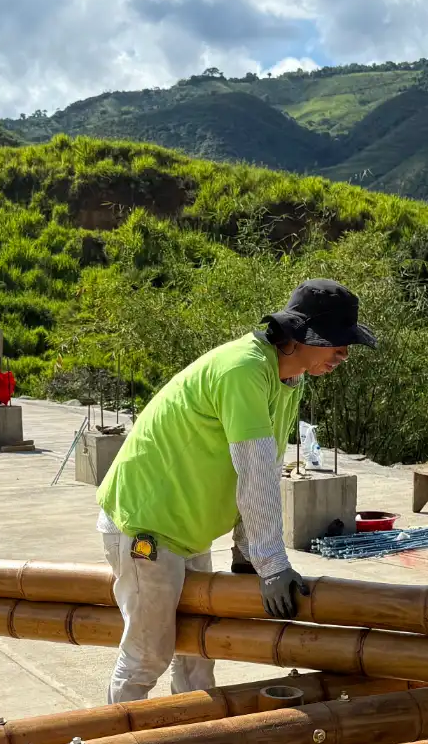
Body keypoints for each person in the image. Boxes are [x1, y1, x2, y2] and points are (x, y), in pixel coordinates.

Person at [94, 278, 376, 703]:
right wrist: (272, 564)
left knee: (196, 653)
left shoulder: (286, 379)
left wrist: (247, 549)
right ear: (300, 337)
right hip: (146, 526)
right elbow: (256, 471)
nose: (344, 355)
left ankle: (190, 742)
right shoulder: (244, 370)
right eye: (337, 343)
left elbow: (266, 466)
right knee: (146, 656)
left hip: (185, 528)